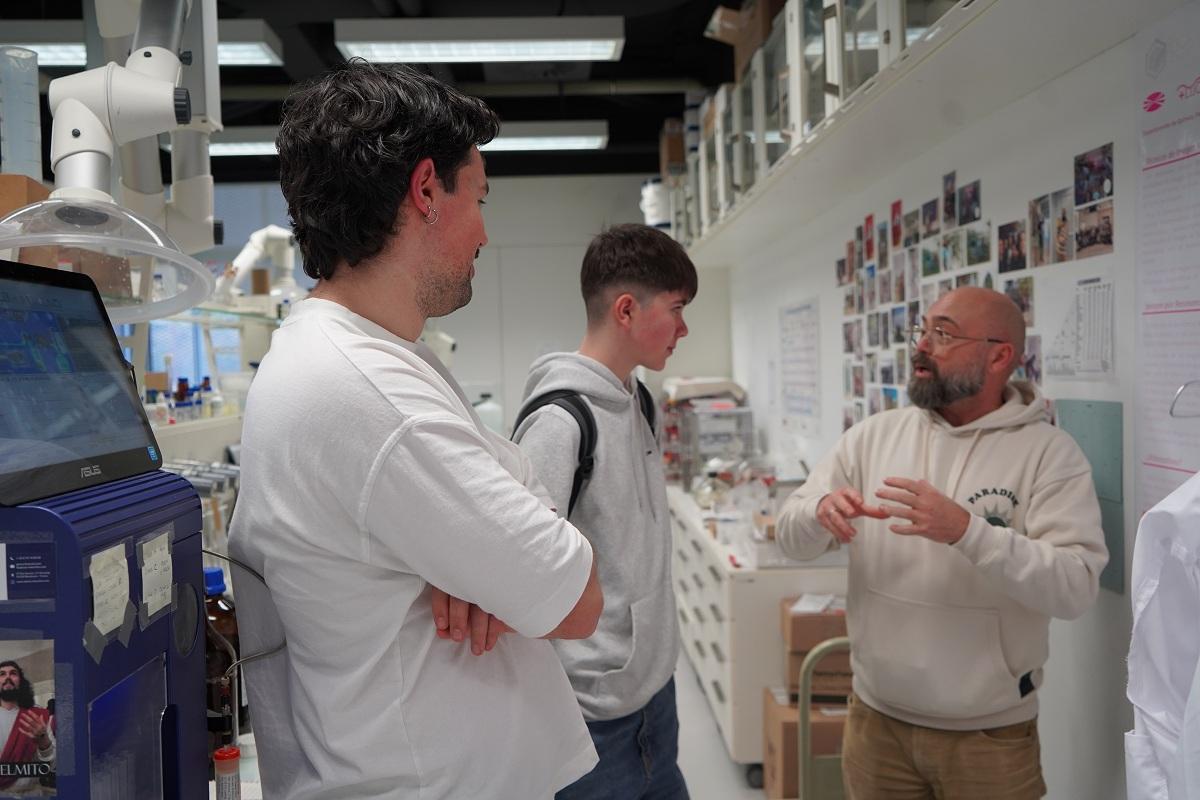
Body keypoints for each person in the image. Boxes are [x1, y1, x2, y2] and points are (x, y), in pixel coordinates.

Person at [226, 61, 603, 800]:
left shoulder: (373, 356)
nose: (485, 231)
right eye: (479, 197)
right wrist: (494, 560)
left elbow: (525, 517)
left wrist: (483, 560)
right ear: (426, 189)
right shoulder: (364, 390)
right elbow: (577, 598)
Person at [776, 287, 1108, 799]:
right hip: (875, 723)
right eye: (922, 330)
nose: (922, 346)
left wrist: (968, 532)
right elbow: (791, 540)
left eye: (944, 334)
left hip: (989, 737)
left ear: (999, 356)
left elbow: (1074, 588)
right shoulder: (872, 436)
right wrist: (818, 513)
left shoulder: (1050, 455)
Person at [512, 224, 696, 799]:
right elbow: (521, 577)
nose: (684, 328)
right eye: (676, 309)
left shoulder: (640, 400)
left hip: (654, 698)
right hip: (591, 719)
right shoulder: (559, 423)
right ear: (626, 310)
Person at [0, 660, 54, 796]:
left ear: (21, 681)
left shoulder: (37, 716)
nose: (7, 677)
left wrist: (43, 740)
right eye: (2, 674)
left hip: (30, 794)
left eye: (13, 673)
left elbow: (54, 764)